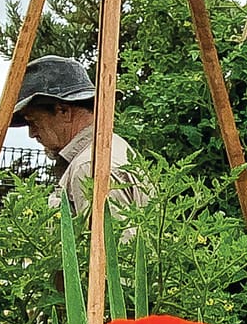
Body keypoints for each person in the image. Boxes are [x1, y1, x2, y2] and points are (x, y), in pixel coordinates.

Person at [9, 54, 149, 210]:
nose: (32, 133)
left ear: (63, 111)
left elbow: (111, 234)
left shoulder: (89, 167)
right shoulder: (111, 149)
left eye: (34, 121)